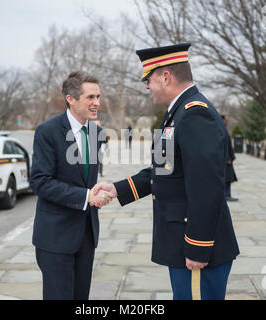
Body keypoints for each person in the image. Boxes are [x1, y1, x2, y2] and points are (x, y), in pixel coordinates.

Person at [93, 43, 240, 300]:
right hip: (183, 243)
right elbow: (162, 171)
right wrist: (118, 189)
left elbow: (206, 187)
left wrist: (198, 246)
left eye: (148, 80)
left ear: (166, 76)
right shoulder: (177, 114)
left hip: (197, 249)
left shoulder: (194, 114)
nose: (147, 86)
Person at [30, 71, 114, 300]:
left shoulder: (97, 132)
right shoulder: (47, 131)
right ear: (71, 98)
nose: (97, 102)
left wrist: (96, 190)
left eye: (98, 96)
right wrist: (86, 196)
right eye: (90, 97)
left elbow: (85, 179)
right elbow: (40, 182)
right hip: (55, 238)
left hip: (86, 235)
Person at [221, 115, 238, 201]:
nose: (227, 121)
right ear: (222, 120)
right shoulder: (221, 130)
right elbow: (223, 145)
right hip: (225, 159)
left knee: (229, 178)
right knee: (227, 178)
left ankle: (228, 194)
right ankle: (226, 195)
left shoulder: (224, 129)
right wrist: (227, 157)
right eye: (226, 120)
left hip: (227, 158)